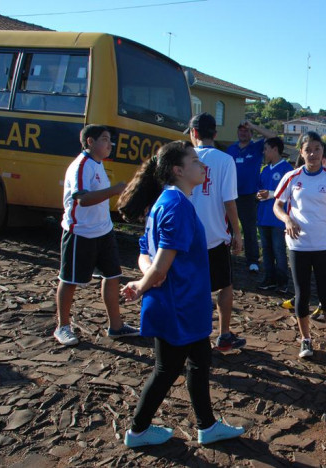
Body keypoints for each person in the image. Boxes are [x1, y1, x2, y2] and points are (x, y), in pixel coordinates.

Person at [119, 141, 245, 448]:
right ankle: (137, 431)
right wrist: (143, 283)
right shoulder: (176, 206)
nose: (203, 166)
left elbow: (145, 253)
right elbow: (161, 263)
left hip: (182, 303)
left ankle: (207, 426)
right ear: (178, 170)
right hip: (179, 305)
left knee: (199, 361)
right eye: (195, 162)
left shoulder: (167, 201)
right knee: (167, 369)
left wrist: (147, 277)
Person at [54, 124, 138, 346]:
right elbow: (82, 199)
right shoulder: (82, 165)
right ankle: (63, 326)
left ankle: (116, 326)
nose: (110, 144)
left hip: (104, 231)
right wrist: (114, 190)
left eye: (110, 139)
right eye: (105, 139)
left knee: (112, 276)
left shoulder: (97, 164)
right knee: (69, 280)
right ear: (90, 142)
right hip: (80, 232)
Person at [273, 131, 326, 360]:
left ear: (322, 151)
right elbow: (277, 205)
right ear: (301, 152)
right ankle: (305, 339)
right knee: (302, 294)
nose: (313, 154)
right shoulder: (292, 177)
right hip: (298, 245)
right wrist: (287, 220)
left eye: (317, 149)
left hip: (324, 244)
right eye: (308, 149)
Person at [186, 113, 246, 352]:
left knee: (190, 286)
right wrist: (237, 233)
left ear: (194, 133)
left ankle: (190, 334)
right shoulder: (225, 160)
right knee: (225, 285)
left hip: (185, 234)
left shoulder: (182, 156)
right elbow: (229, 201)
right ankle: (223, 334)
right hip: (214, 234)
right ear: (215, 133)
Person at [226, 120, 277, 273]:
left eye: (246, 130)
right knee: (226, 227)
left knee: (249, 229)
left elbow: (273, 137)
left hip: (248, 195)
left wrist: (253, 126)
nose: (243, 133)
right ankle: (225, 256)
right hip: (230, 194)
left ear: (251, 133)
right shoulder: (231, 149)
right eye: (241, 130)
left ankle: (252, 261)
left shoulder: (256, 147)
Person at [256, 136, 293, 292]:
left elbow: (290, 192)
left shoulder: (287, 169)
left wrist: (270, 194)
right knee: (266, 250)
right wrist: (258, 194)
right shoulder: (265, 170)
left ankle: (282, 282)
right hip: (263, 217)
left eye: (266, 149)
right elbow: (259, 188)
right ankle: (269, 279)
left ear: (275, 149)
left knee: (279, 250)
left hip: (278, 219)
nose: (264, 152)